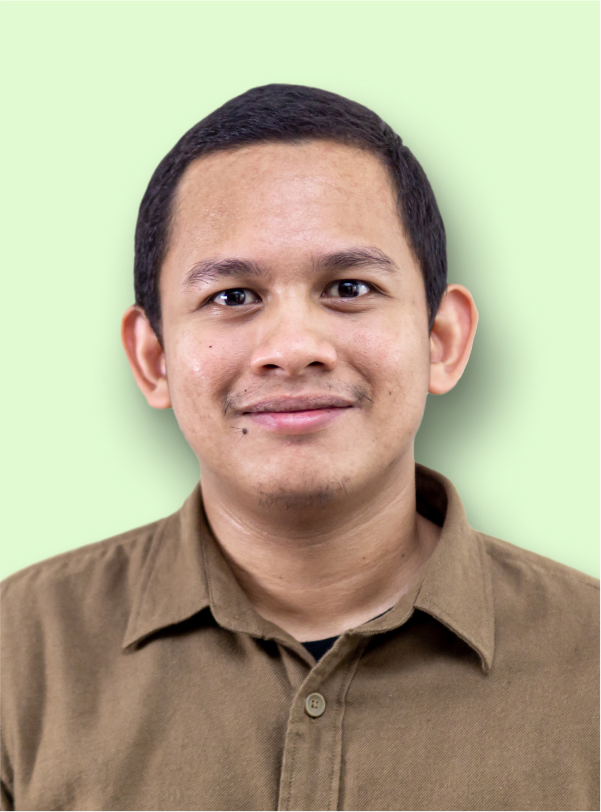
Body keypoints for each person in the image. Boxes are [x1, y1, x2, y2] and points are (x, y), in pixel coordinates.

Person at [0, 84, 598, 812]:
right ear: (153, 357)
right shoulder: (19, 654)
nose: (291, 349)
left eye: (348, 287)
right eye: (233, 297)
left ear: (441, 341)